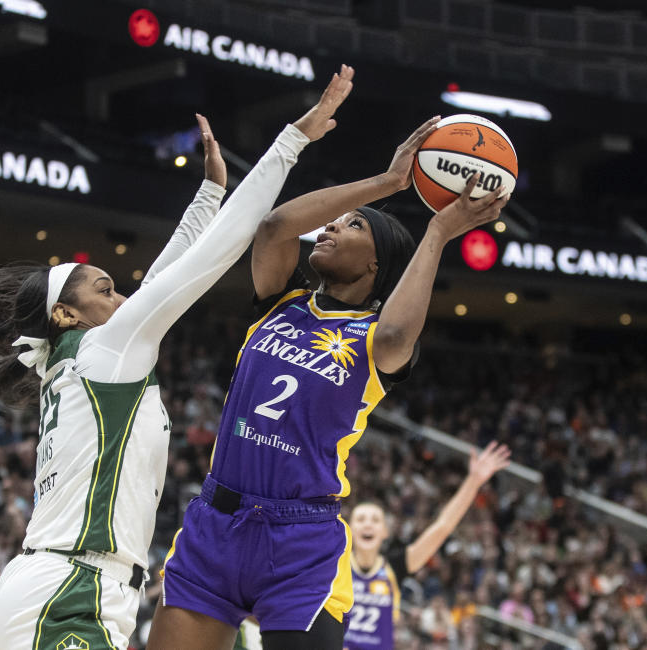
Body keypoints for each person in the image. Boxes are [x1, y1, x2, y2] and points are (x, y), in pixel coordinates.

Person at [0, 67, 356, 650]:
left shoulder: (85, 355)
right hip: (69, 589)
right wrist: (293, 141)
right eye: (106, 289)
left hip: (71, 584)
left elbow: (165, 277)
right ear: (66, 314)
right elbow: (213, 254)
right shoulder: (105, 349)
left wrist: (208, 193)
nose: (123, 296)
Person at [148, 69, 511, 650]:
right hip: (214, 523)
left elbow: (397, 327)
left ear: (376, 265)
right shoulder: (279, 304)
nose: (334, 226)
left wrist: (438, 233)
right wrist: (389, 182)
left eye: (353, 226)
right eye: (338, 220)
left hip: (300, 541)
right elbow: (273, 226)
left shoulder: (376, 338)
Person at [345, 442, 511, 650]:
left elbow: (442, 527)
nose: (368, 524)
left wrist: (473, 481)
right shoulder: (335, 565)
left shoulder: (394, 565)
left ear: (385, 531)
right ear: (349, 527)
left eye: (375, 520)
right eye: (361, 519)